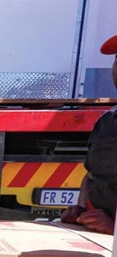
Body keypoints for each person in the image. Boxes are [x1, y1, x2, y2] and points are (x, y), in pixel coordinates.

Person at [61, 34, 117, 235]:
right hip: (99, 244)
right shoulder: (107, 122)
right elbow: (91, 176)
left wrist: (113, 228)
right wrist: (82, 210)